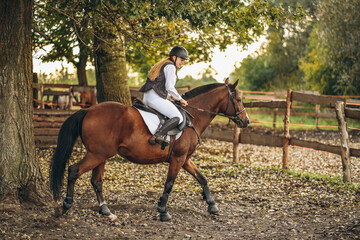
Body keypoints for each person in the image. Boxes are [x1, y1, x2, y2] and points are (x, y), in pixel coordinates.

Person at [140, 46, 189, 145]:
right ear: (174, 57)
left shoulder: (163, 65)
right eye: (181, 59)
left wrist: (170, 96)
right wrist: (180, 99)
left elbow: (160, 86)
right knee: (178, 117)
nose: (182, 62)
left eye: (184, 61)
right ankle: (158, 135)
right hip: (155, 98)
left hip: (147, 97)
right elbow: (169, 87)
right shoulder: (171, 67)